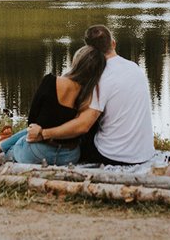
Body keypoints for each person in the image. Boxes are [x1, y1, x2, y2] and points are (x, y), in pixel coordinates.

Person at [28, 24, 154, 166]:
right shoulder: (134, 67)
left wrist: (44, 133)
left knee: (74, 136)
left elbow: (83, 126)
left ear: (89, 50)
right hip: (145, 153)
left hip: (114, 156)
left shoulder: (98, 77)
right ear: (113, 43)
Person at [0, 44, 105, 165]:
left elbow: (32, 122)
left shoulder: (51, 81)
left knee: (13, 149)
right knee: (29, 134)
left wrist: (41, 132)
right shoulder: (93, 97)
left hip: (36, 153)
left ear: (76, 62)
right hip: (70, 156)